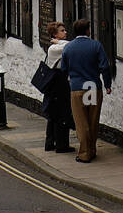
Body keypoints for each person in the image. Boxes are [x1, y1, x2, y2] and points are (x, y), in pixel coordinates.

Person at [61, 18, 113, 163]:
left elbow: (64, 69)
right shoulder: (96, 45)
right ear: (87, 30)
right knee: (93, 121)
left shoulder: (69, 47)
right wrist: (107, 84)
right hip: (93, 87)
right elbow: (104, 67)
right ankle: (92, 149)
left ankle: (84, 153)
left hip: (77, 88)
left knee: (81, 122)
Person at [40, 22, 73, 153]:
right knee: (62, 114)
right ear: (55, 34)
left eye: (64, 30)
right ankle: (61, 145)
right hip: (58, 82)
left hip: (55, 83)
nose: (65, 32)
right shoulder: (54, 48)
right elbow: (72, 45)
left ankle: (50, 143)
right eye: (62, 31)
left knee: (53, 114)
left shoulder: (57, 46)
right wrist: (58, 42)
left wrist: (58, 41)